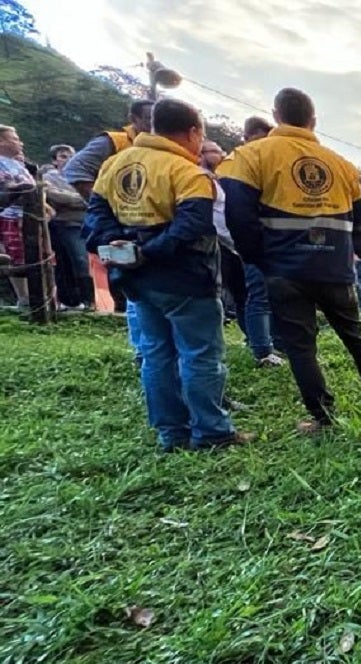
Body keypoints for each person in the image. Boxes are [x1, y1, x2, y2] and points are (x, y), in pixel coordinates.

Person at [81, 98, 249, 451]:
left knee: (156, 353)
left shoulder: (113, 165)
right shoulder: (188, 172)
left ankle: (171, 433)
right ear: (193, 132)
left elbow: (94, 219)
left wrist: (123, 247)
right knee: (200, 354)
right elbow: (194, 225)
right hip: (186, 278)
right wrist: (151, 252)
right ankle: (212, 432)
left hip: (135, 280)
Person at [220, 87, 361, 433]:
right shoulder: (343, 166)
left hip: (284, 268)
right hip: (335, 267)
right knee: (354, 334)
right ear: (313, 120)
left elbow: (238, 214)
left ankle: (324, 418)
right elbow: (360, 222)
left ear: (276, 115)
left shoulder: (252, 156)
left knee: (300, 346)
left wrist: (256, 257)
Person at [65, 99, 154, 358]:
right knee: (133, 285)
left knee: (145, 284)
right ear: (134, 118)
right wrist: (104, 206)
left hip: (146, 224)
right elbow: (75, 169)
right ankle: (142, 350)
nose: (153, 124)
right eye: (149, 118)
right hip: (119, 227)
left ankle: (148, 350)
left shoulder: (158, 146)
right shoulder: (113, 142)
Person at [203, 139, 283, 367]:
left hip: (236, 245)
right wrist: (243, 244)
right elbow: (219, 220)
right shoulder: (204, 179)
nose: (221, 155)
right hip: (230, 245)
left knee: (247, 295)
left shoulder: (221, 180)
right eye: (215, 151)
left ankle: (261, 342)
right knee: (254, 296)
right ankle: (263, 349)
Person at [41, 144, 95, 311]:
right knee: (74, 260)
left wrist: (77, 199)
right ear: (55, 160)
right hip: (64, 224)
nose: (68, 159)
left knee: (85, 261)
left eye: (71, 155)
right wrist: (81, 198)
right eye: (63, 156)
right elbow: (55, 196)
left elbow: (93, 196)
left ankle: (88, 300)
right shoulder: (49, 177)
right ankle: (80, 300)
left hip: (85, 223)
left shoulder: (81, 176)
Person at [0, 125, 36, 307]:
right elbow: (8, 186)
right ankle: (24, 298)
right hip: (8, 215)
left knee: (30, 255)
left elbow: (32, 185)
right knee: (14, 256)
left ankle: (36, 297)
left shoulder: (17, 163)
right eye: (14, 138)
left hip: (28, 216)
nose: (19, 142)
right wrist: (19, 189)